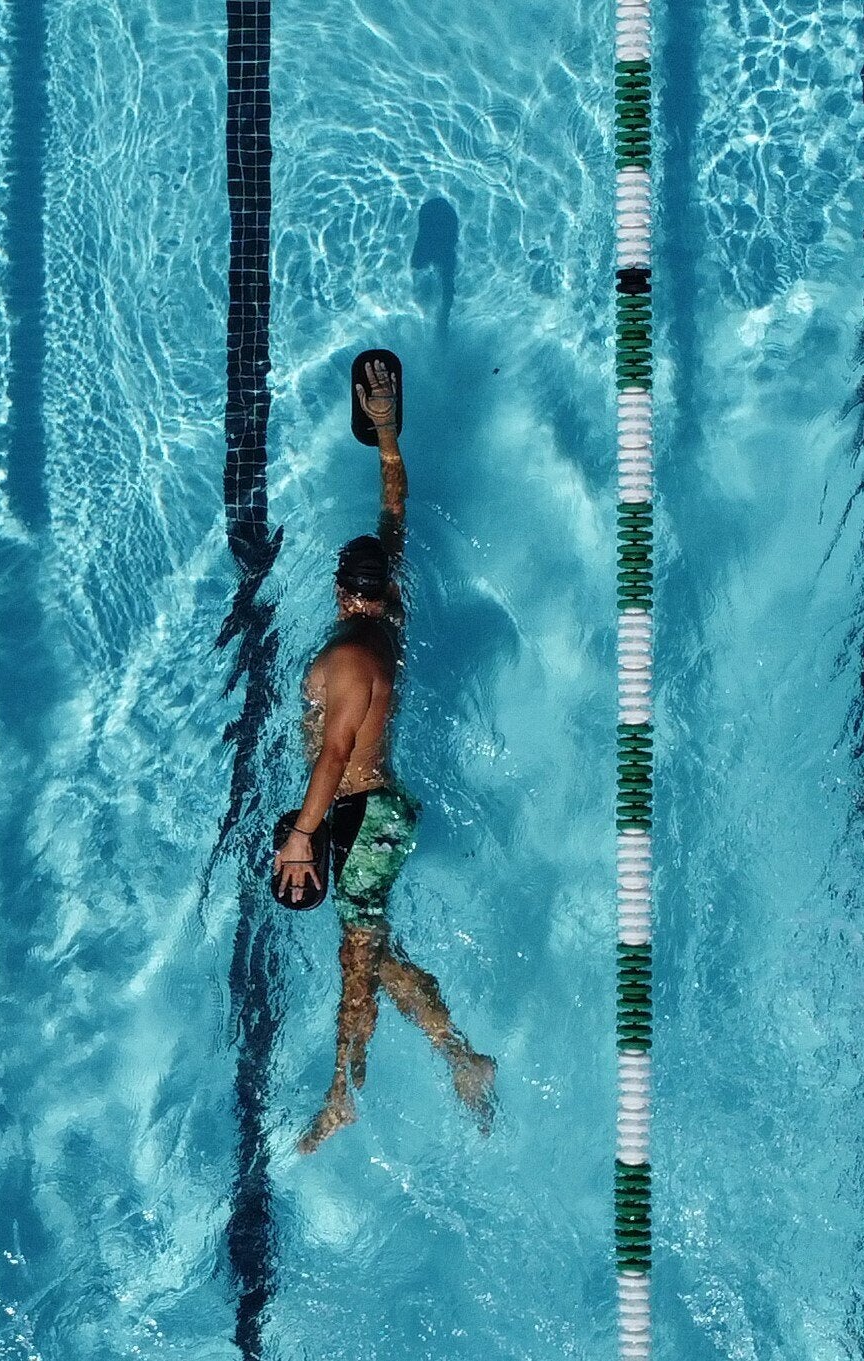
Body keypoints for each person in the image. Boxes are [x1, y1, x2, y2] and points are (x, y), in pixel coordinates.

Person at [274, 355, 496, 1154]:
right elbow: (394, 514)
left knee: (356, 958)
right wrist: (388, 442)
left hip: (358, 814)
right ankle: (461, 1055)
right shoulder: (389, 623)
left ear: (339, 589)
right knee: (371, 946)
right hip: (377, 816)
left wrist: (302, 834)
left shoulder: (342, 659)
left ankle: (342, 1092)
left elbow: (333, 754)